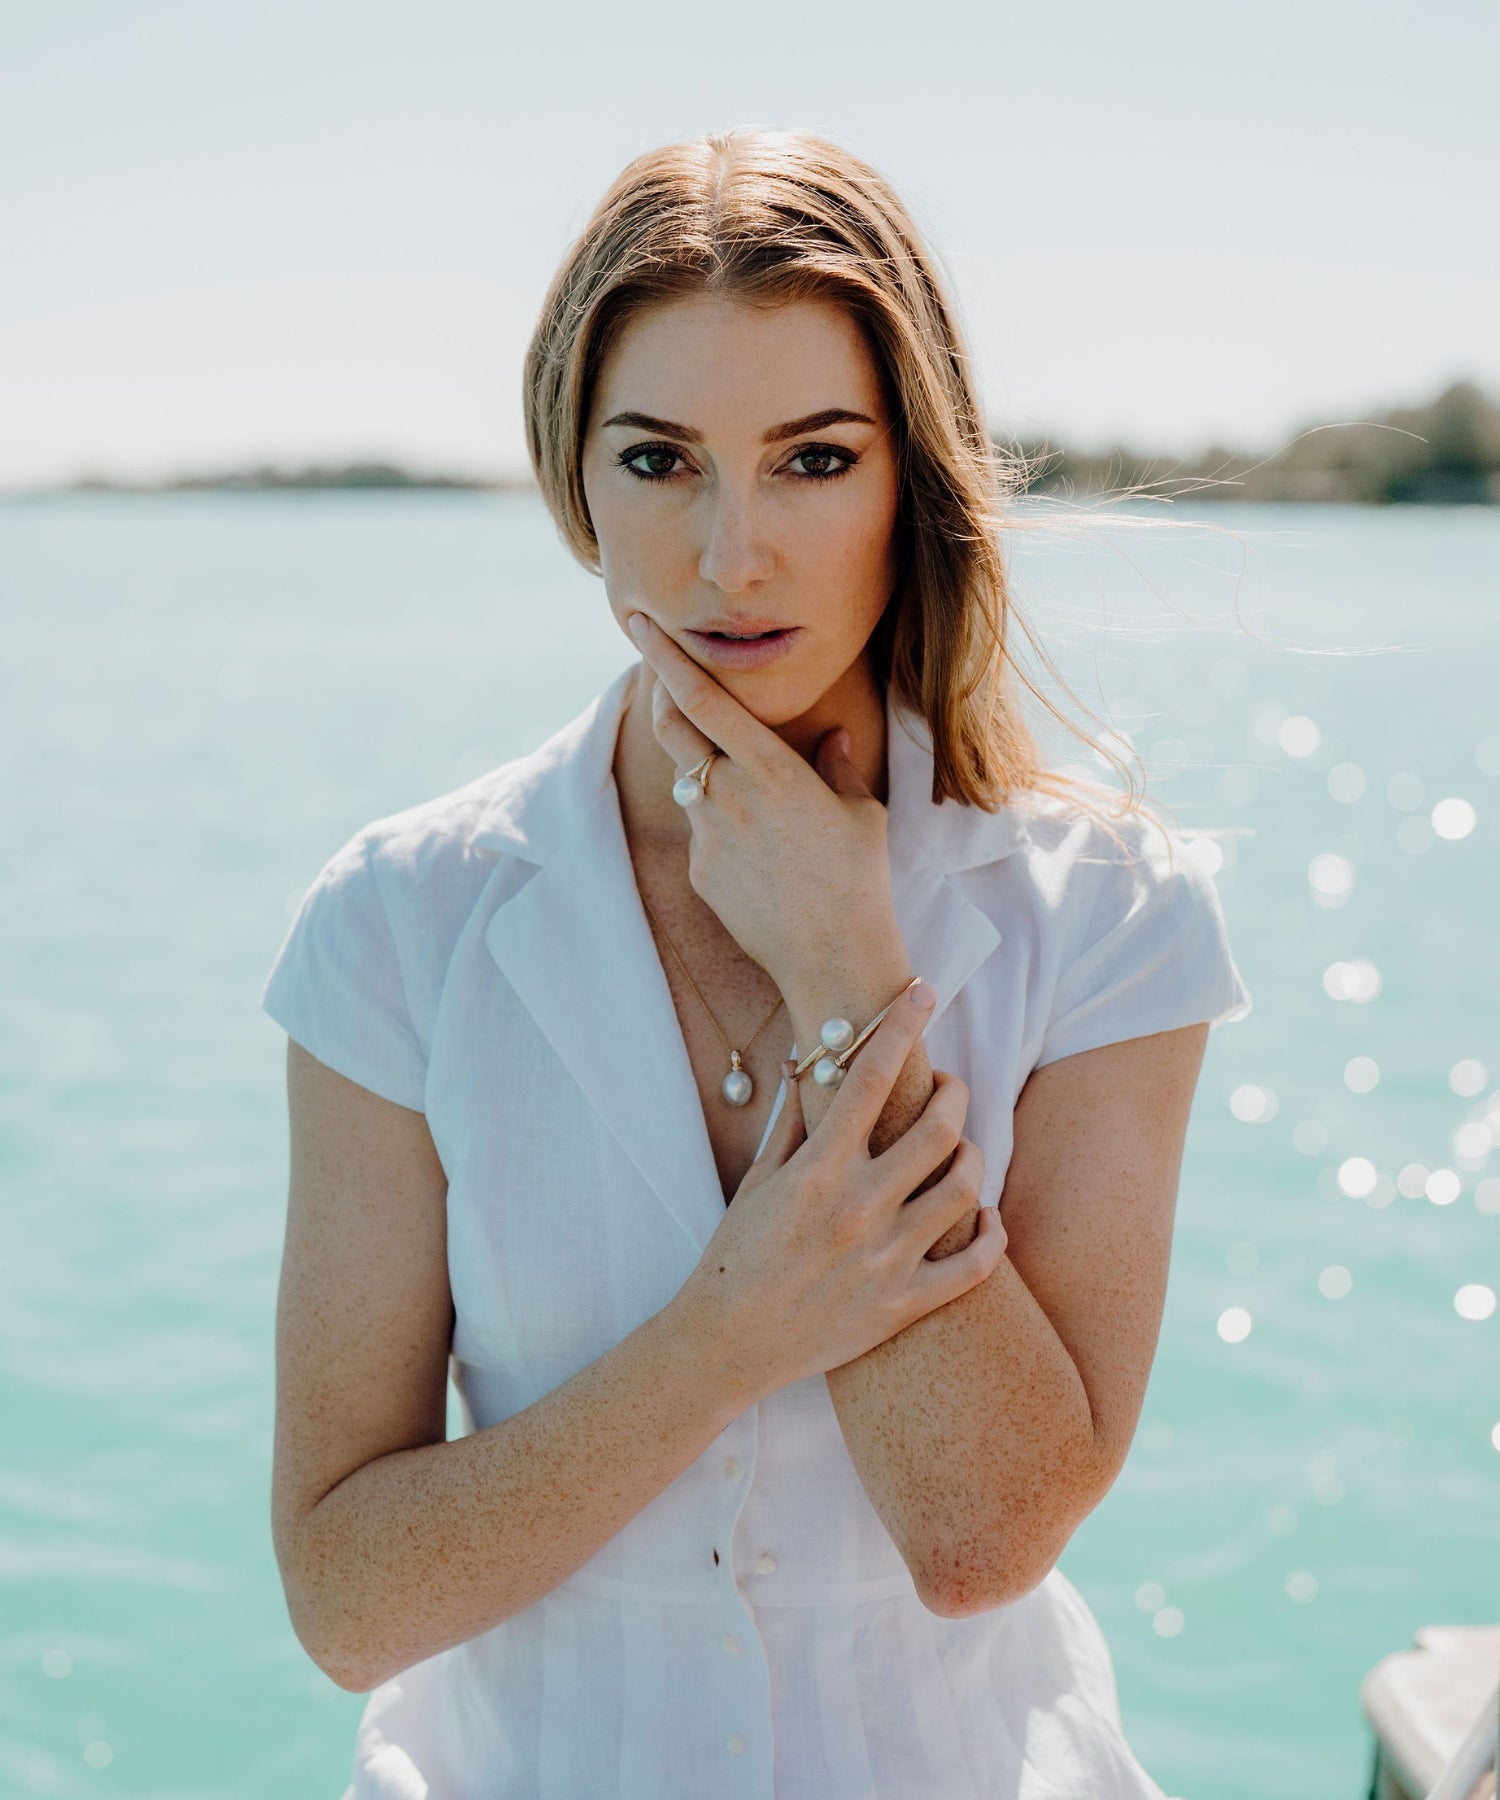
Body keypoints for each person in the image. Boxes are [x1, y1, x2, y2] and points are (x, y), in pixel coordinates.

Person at [262, 128, 1252, 1799]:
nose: (734, 555)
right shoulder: (399, 924)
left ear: (909, 482)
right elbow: (346, 1604)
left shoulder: (1107, 911)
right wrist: (726, 1335)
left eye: (812, 460)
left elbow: (984, 1535)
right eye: (660, 462)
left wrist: (847, 974)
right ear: (573, 480)